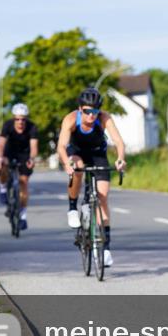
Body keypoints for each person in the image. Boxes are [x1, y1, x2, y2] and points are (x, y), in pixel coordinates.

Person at [57, 87, 127, 267]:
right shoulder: (71, 119)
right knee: (78, 168)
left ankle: (106, 249)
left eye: (95, 111)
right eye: (87, 111)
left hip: (97, 154)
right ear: (80, 109)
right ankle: (72, 207)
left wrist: (120, 159)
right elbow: (61, 146)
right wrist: (67, 163)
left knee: (102, 198)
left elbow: (119, 142)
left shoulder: (104, 118)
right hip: (76, 153)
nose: (91, 115)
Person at [0, 103, 39, 231]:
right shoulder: (7, 125)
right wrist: (0, 158)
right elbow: (1, 144)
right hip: (9, 152)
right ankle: (3, 188)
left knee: (23, 182)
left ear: (26, 119)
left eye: (23, 119)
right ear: (14, 118)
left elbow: (34, 147)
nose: (20, 122)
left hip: (24, 155)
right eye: (17, 119)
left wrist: (32, 159)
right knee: (2, 167)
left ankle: (23, 216)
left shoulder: (32, 127)